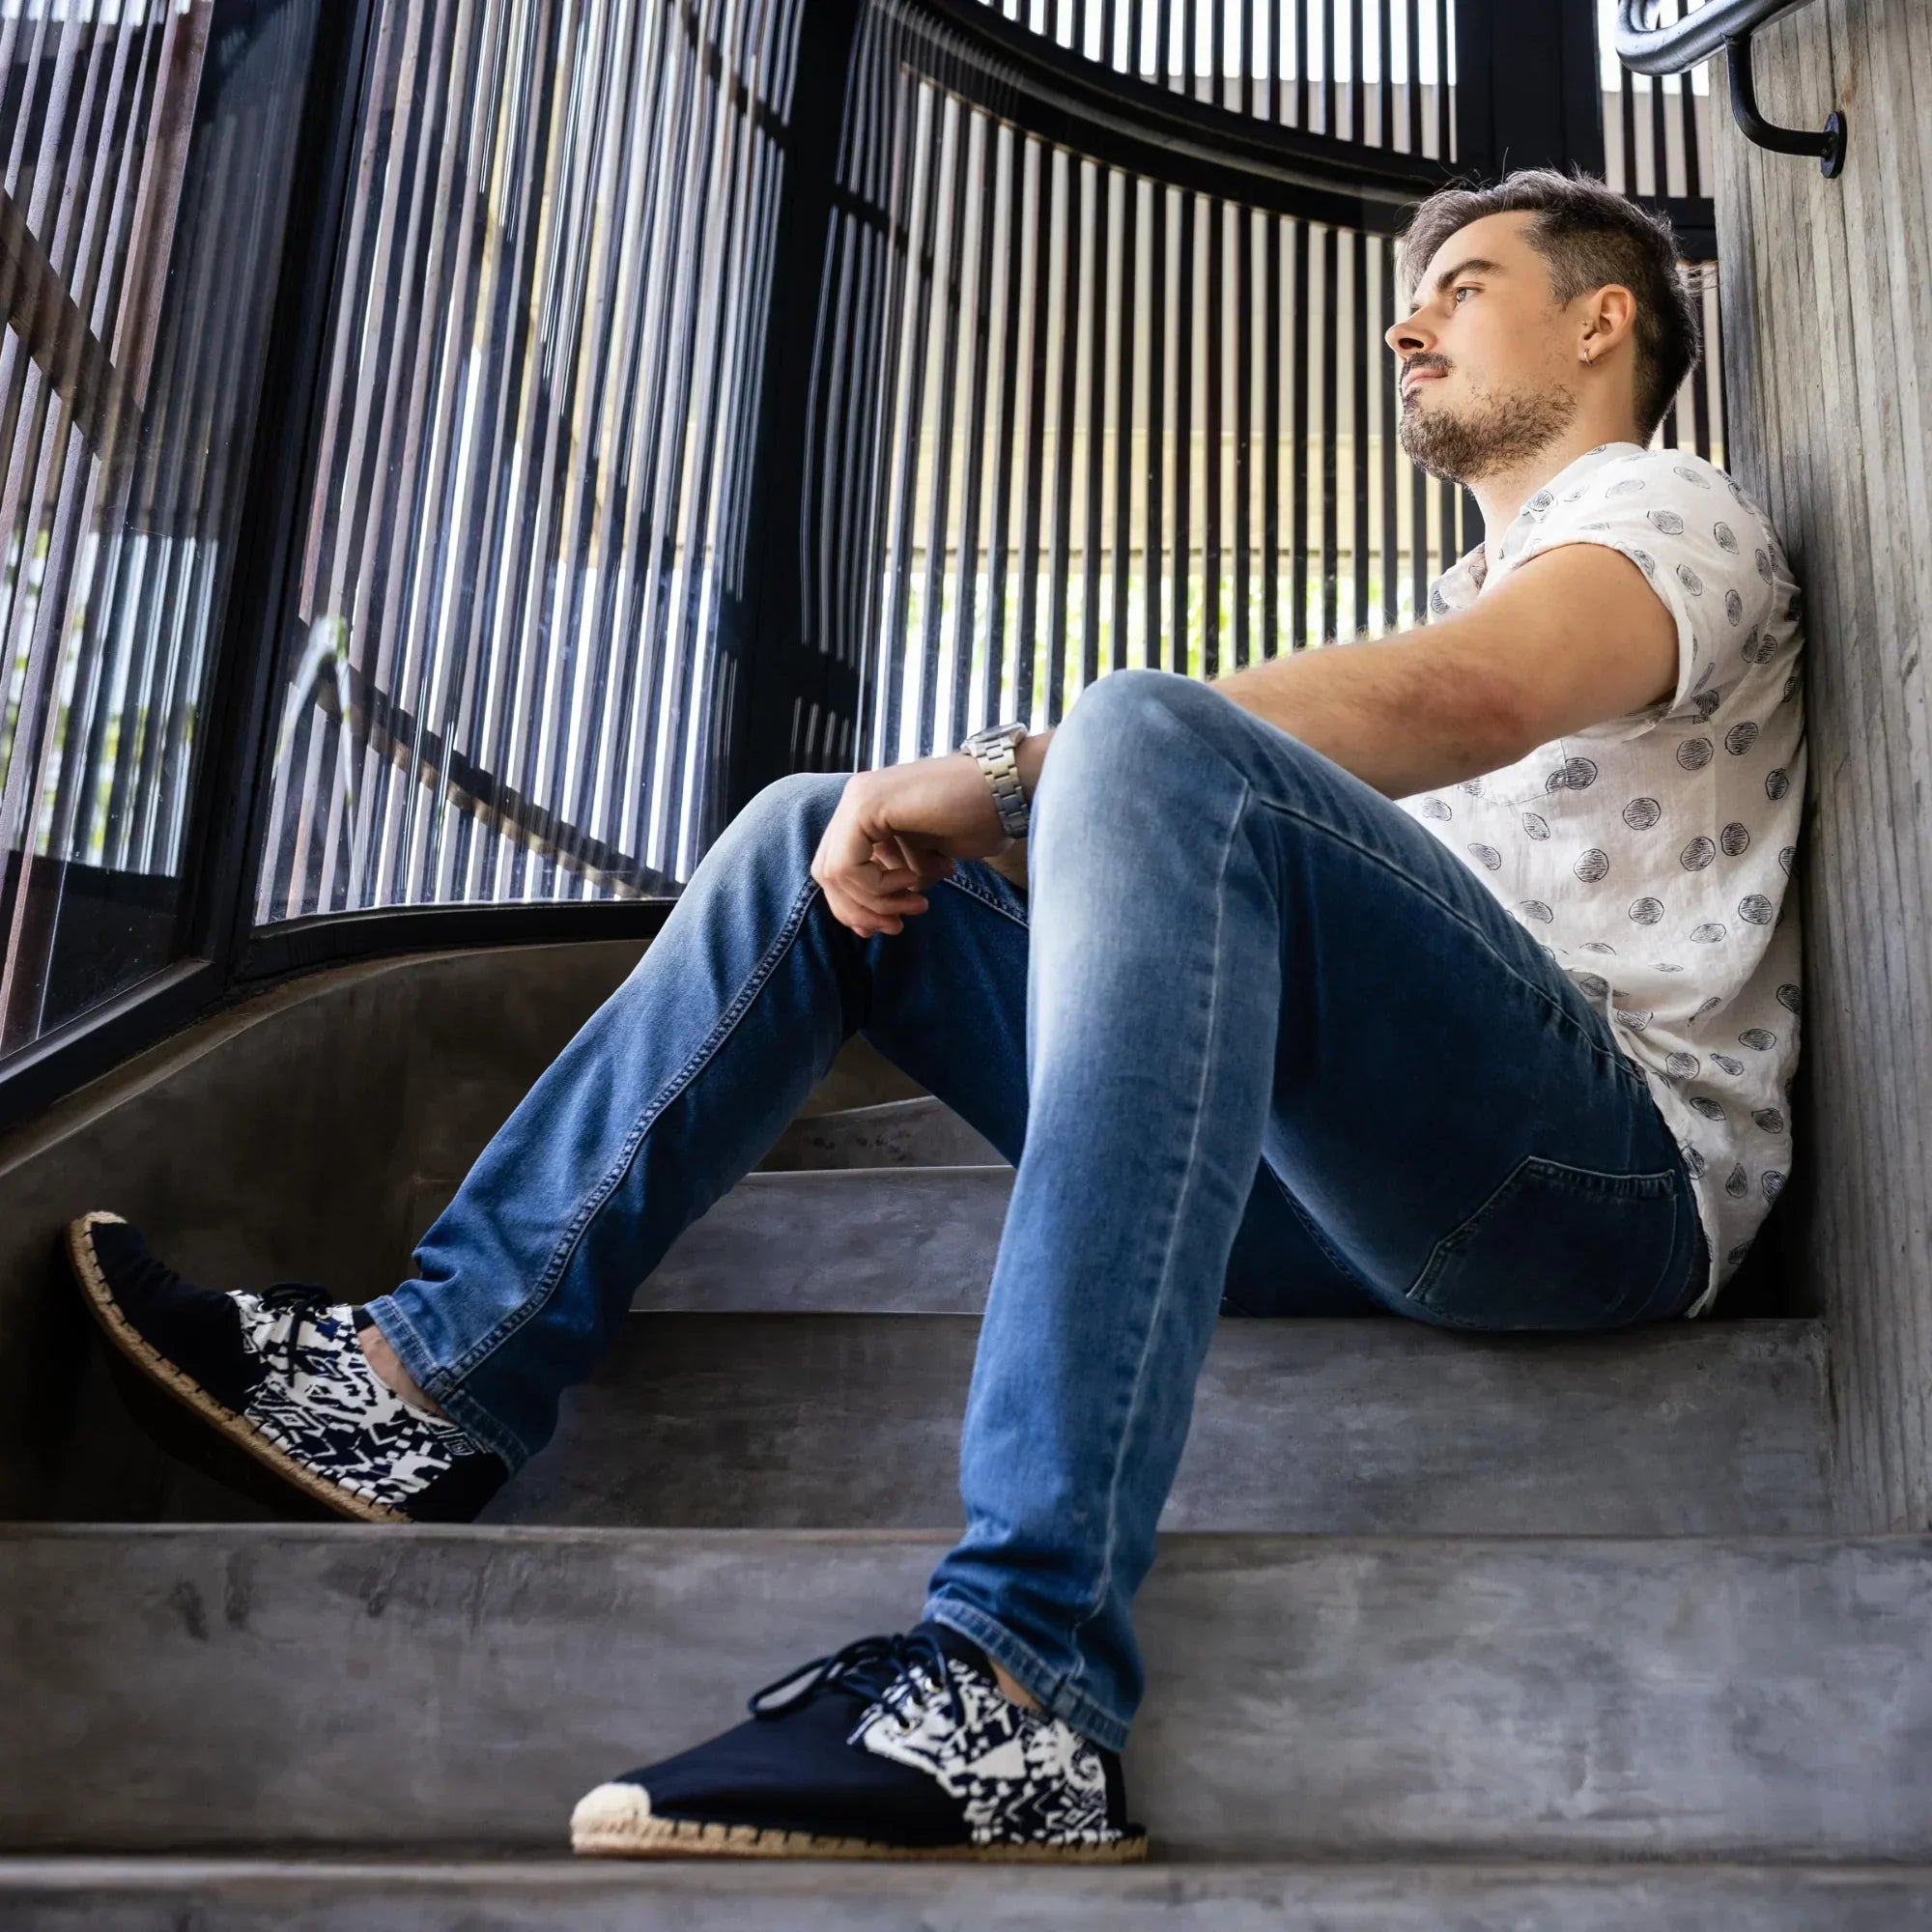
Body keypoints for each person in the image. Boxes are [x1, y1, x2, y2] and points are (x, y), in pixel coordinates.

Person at [63, 165, 1804, 1863]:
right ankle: (425, 1377)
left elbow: (1483, 694)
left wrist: (1024, 773)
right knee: (811, 841)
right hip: (1364, 1191)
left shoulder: (1664, 513)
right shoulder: (1451, 596)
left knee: (1138, 725)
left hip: (1602, 1189)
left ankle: (1018, 1683)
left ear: (1603, 321)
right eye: (1412, 295)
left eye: (1462, 288)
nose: (1404, 326)